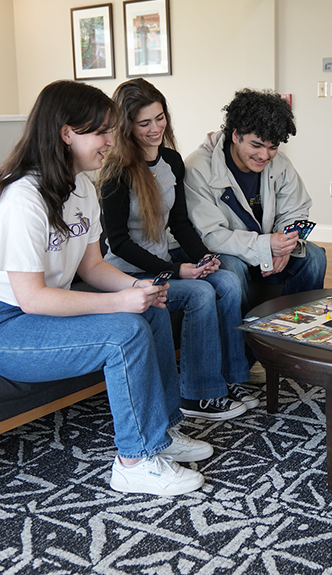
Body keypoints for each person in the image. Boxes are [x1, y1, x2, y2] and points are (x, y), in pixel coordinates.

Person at [0, 79, 211, 498]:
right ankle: (134, 461)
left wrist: (138, 288)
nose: (112, 141)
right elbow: (32, 298)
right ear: (66, 133)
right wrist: (119, 302)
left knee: (150, 308)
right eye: (102, 132)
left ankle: (162, 431)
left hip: (33, 312)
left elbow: (92, 266)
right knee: (123, 333)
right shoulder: (21, 198)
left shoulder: (81, 188)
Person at [98, 78, 256, 421]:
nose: (155, 129)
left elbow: (181, 222)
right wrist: (174, 271)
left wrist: (202, 256)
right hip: (126, 270)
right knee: (199, 292)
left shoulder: (170, 160)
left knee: (226, 280)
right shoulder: (115, 171)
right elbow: (120, 242)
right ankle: (198, 395)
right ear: (127, 127)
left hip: (162, 261)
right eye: (144, 123)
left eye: (160, 118)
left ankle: (229, 379)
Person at [184, 88, 327, 317]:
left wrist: (286, 244)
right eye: (256, 145)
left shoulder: (279, 163)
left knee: (314, 257)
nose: (265, 156)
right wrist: (266, 245)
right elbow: (210, 236)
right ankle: (245, 346)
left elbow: (296, 209)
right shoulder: (198, 168)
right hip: (228, 253)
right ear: (235, 135)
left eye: (273, 147)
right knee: (231, 269)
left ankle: (295, 333)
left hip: (269, 250)